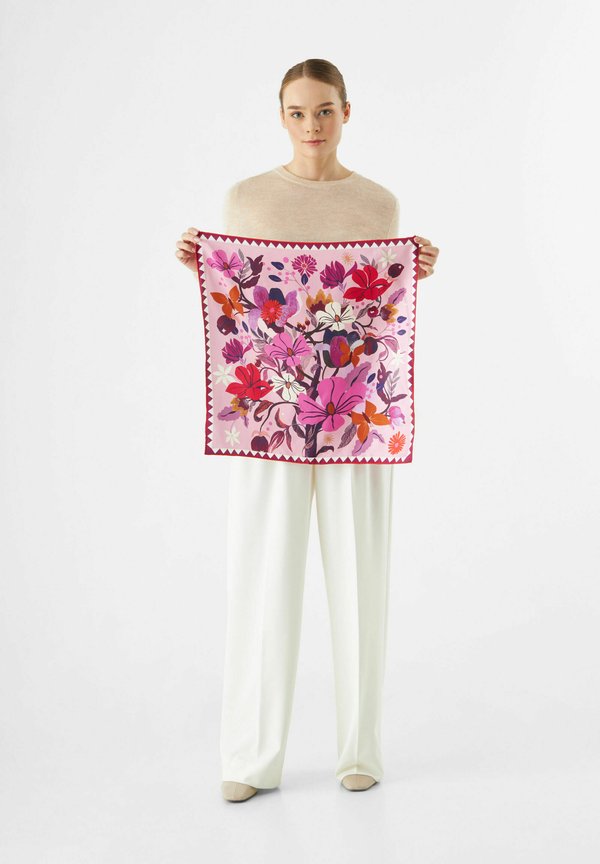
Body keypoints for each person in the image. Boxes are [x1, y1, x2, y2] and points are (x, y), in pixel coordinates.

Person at [175, 58, 439, 803]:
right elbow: (245, 300)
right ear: (281, 116)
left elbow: (377, 308)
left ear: (347, 112)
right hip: (270, 414)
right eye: (297, 112)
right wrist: (201, 266)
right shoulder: (246, 198)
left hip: (354, 414)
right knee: (262, 576)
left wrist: (416, 268)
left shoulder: (377, 204)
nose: (311, 126)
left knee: (360, 577)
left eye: (324, 111)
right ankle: (250, 756)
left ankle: (361, 747)